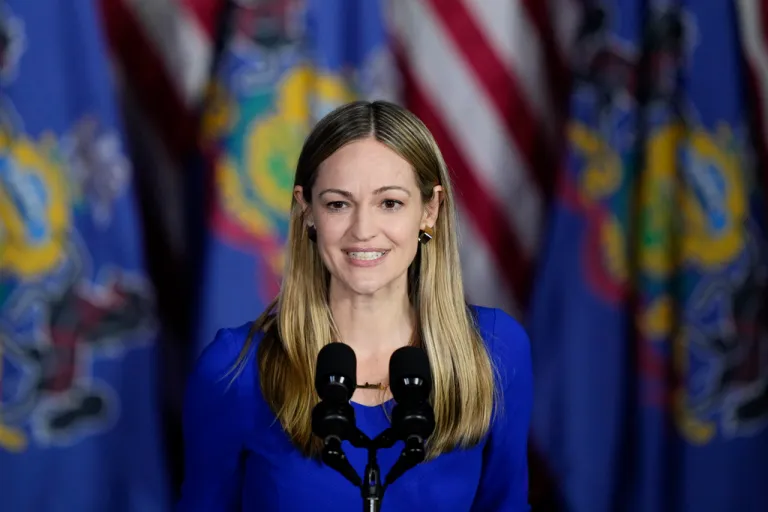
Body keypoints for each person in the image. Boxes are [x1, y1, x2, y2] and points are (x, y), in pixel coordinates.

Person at [177, 100, 533, 511]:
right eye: (338, 204)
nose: (363, 230)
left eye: (390, 203)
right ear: (307, 210)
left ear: (429, 210)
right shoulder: (234, 368)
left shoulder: (495, 350)